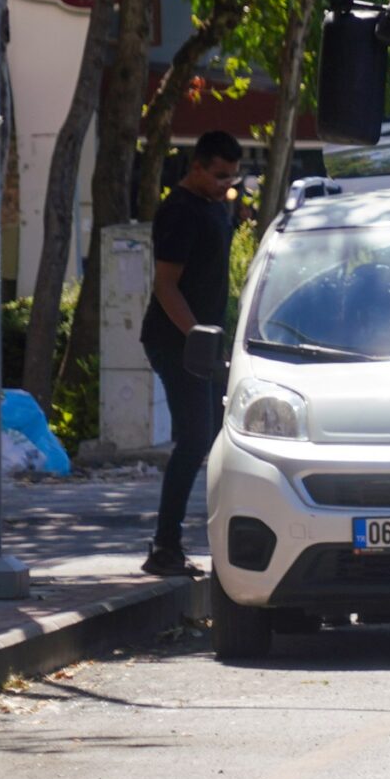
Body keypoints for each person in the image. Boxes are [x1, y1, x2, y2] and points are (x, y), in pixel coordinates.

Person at [141, 130, 242, 576]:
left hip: (205, 341)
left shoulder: (215, 206)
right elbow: (165, 285)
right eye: (220, 175)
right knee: (196, 438)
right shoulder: (179, 212)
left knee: (227, 438)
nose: (227, 184)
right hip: (176, 341)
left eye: (233, 177)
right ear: (197, 167)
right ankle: (164, 547)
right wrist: (196, 336)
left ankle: (227, 538)